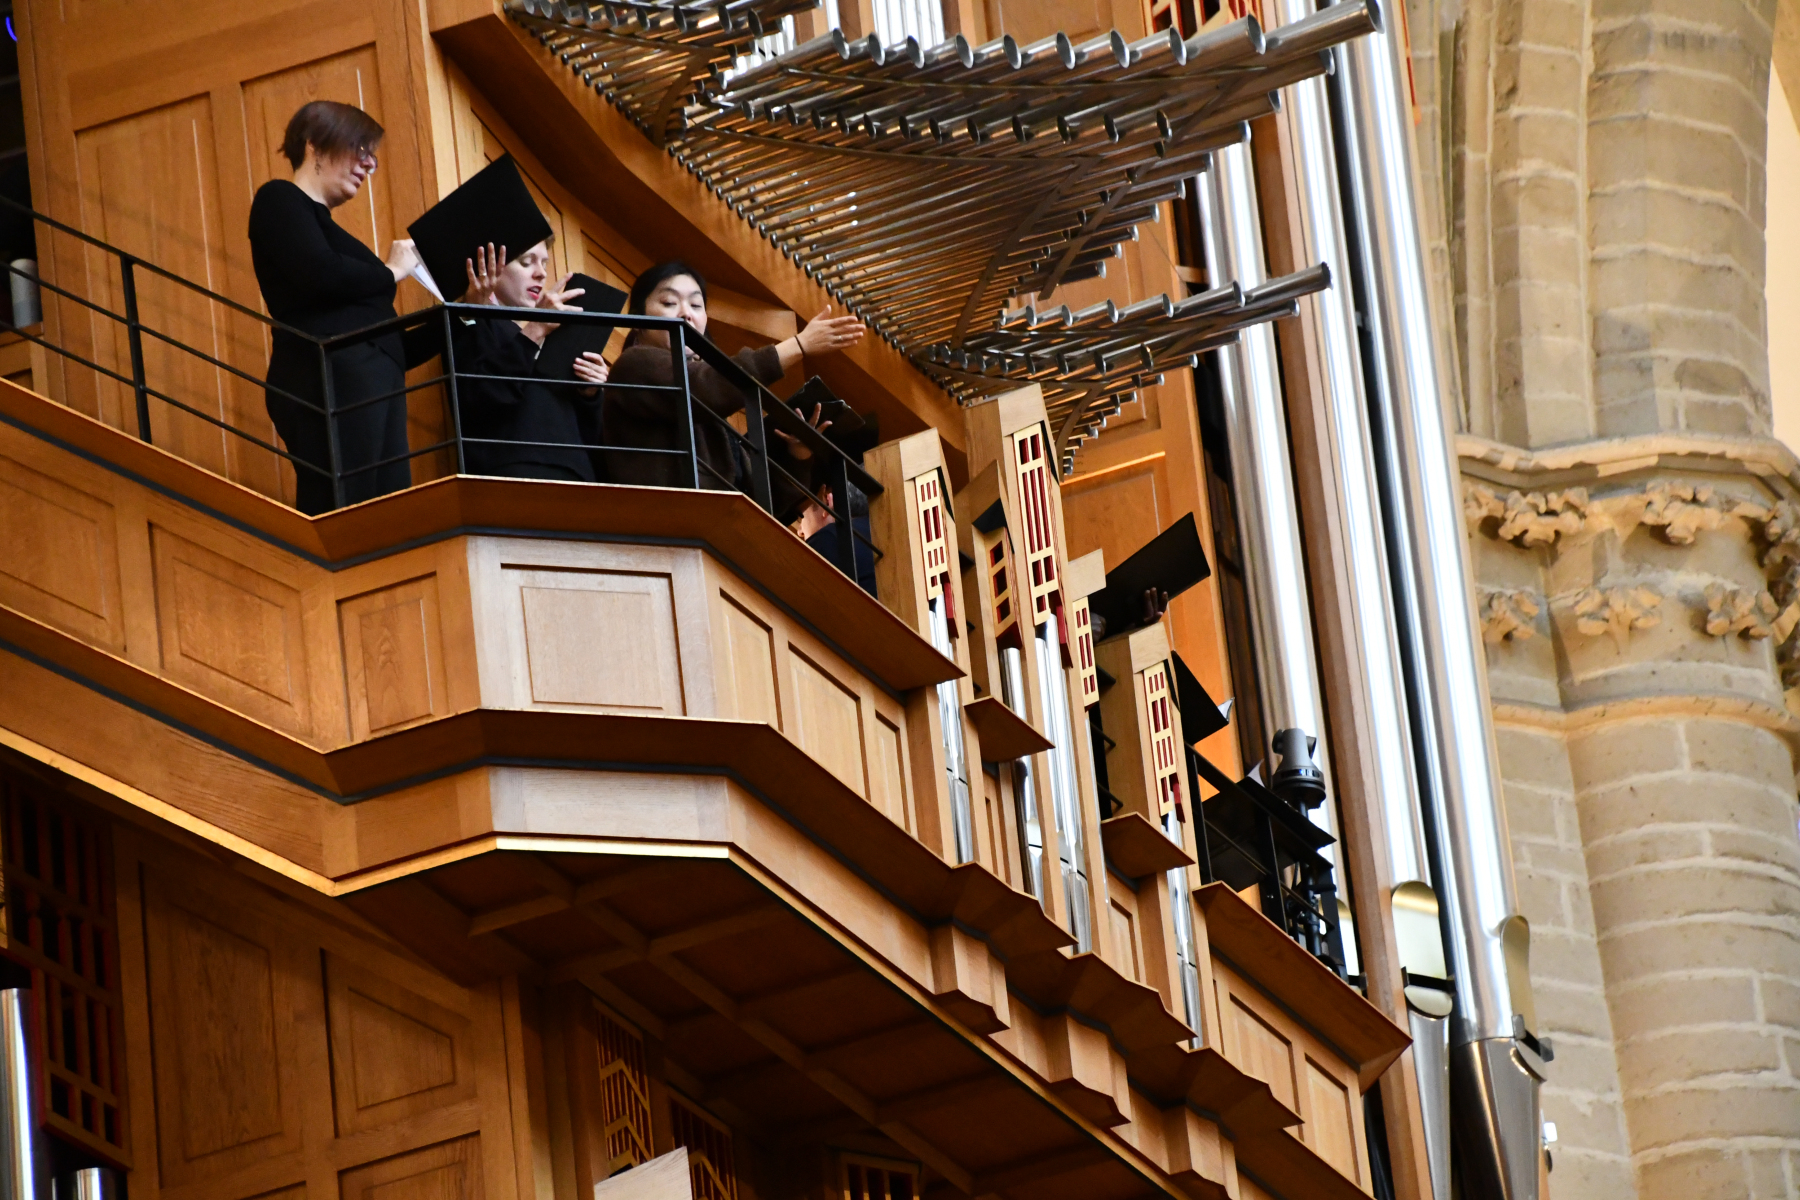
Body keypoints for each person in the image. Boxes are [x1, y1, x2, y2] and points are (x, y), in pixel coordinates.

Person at [248, 101, 434, 515]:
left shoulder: (337, 238)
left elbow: (390, 346)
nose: (368, 164)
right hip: (326, 377)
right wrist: (390, 272)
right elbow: (319, 272)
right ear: (314, 144)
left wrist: (466, 311)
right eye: (360, 149)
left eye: (372, 156)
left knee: (386, 514)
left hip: (368, 382)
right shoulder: (279, 199)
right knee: (346, 511)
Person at [601, 261, 863, 491]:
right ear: (638, 319)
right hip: (667, 517)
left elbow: (756, 499)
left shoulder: (707, 401)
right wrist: (799, 345)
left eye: (696, 305)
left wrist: (798, 454)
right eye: (669, 303)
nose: (686, 313)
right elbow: (707, 386)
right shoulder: (633, 364)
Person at [453, 240, 608, 481]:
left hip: (578, 474)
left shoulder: (554, 334)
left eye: (544, 263)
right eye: (526, 262)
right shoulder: (470, 321)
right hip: (512, 470)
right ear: (492, 266)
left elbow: (589, 437)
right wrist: (534, 331)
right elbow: (480, 398)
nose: (541, 273)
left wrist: (590, 394)